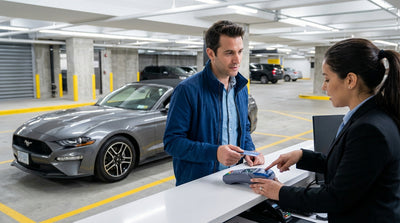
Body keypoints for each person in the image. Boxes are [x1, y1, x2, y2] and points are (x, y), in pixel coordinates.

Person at [250, 38, 400, 222]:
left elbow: (336, 198)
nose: (323, 86)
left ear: (350, 80)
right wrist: (302, 156)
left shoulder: (369, 129)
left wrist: (280, 192)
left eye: (327, 79)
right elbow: (349, 168)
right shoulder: (373, 116)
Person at [163, 20, 264, 186]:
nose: (237, 59)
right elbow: (172, 142)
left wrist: (249, 151)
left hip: (234, 177)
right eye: (229, 53)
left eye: (240, 51)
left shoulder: (241, 88)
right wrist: (215, 153)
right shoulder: (187, 90)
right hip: (198, 184)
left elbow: (244, 128)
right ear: (211, 53)